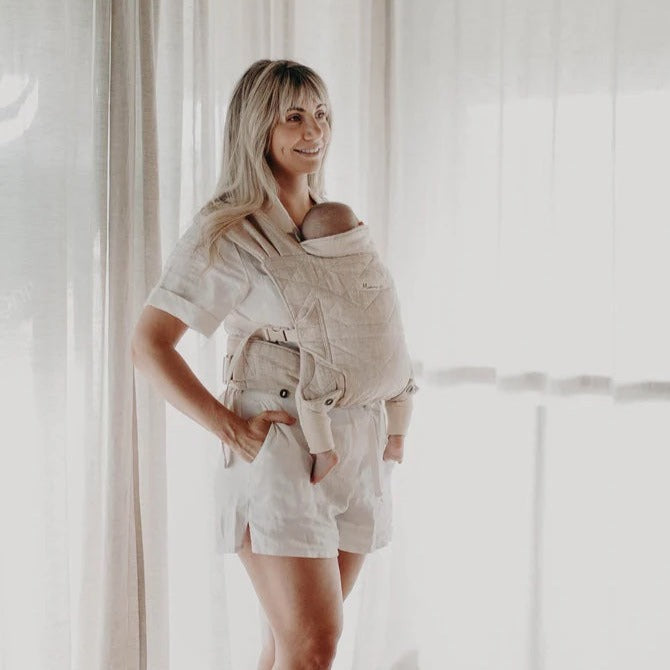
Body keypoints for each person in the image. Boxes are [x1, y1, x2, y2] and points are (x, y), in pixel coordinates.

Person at [131, 59, 418, 670]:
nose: (314, 130)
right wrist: (231, 428)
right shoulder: (230, 231)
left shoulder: (335, 225)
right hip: (283, 442)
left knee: (290, 647)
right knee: (313, 646)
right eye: (293, 117)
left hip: (357, 444)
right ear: (257, 127)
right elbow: (149, 345)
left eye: (321, 114)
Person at [296, 200, 414, 485]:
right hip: (393, 369)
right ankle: (397, 439)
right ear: (360, 227)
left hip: (345, 380)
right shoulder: (376, 264)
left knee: (310, 401)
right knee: (402, 391)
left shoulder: (313, 270)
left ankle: (324, 452)